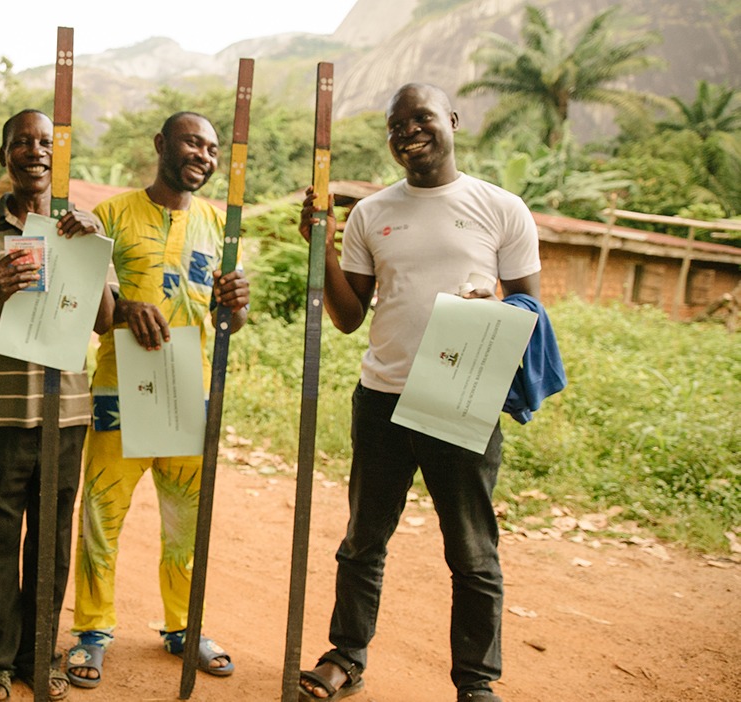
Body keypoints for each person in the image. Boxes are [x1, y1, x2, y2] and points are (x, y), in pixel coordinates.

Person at [296, 83, 541, 702]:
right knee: (363, 539)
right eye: (397, 124)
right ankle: (345, 657)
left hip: (464, 397)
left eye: (422, 118)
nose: (409, 131)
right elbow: (349, 317)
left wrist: (497, 304)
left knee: (472, 551)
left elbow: (531, 304)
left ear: (452, 120)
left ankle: (476, 682)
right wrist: (321, 248)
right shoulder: (372, 213)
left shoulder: (501, 207)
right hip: (383, 397)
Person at [66, 111, 250, 688]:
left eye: (213, 148)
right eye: (192, 142)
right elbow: (90, 311)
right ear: (161, 144)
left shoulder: (223, 227)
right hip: (119, 393)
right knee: (100, 514)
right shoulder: (112, 217)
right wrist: (122, 309)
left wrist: (236, 301)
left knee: (186, 521)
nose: (204, 154)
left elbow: (231, 320)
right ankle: (92, 632)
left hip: (185, 396)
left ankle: (183, 628)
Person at [0, 109, 114, 702]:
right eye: (22, 142)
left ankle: (38, 654)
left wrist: (91, 252)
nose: (35, 151)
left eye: (45, 142)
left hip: (67, 411)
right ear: (5, 156)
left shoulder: (83, 230)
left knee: (52, 536)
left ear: (57, 155)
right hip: (0, 410)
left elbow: (106, 321)